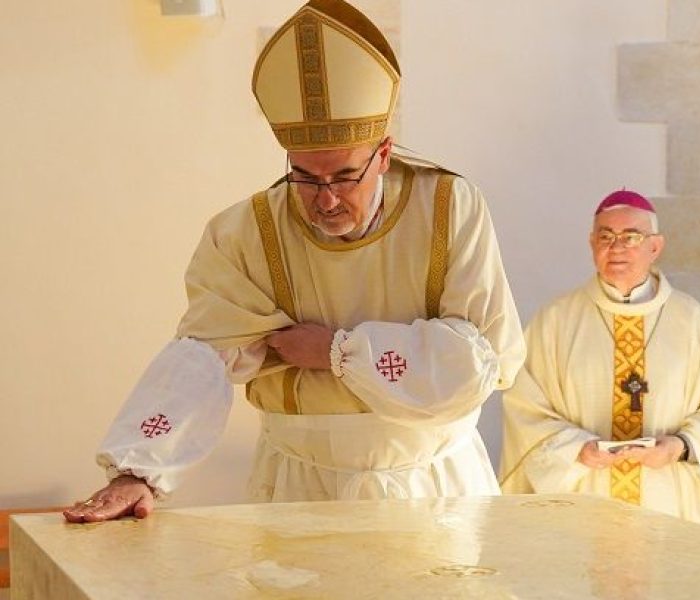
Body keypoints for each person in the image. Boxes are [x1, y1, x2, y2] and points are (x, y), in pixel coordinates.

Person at [64, 0, 525, 523]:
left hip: (431, 484)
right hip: (300, 483)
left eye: (344, 176)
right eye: (304, 176)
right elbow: (204, 355)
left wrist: (336, 351)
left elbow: (475, 361)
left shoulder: (448, 207)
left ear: (384, 152)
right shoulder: (246, 232)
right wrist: (137, 471)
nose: (324, 199)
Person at [499, 190, 700, 529]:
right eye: (606, 236)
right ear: (592, 244)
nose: (617, 247)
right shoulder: (554, 321)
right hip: (581, 506)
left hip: (668, 507)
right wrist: (577, 449)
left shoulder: (692, 321)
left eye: (631, 237)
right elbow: (524, 410)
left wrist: (680, 446)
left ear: (655, 246)